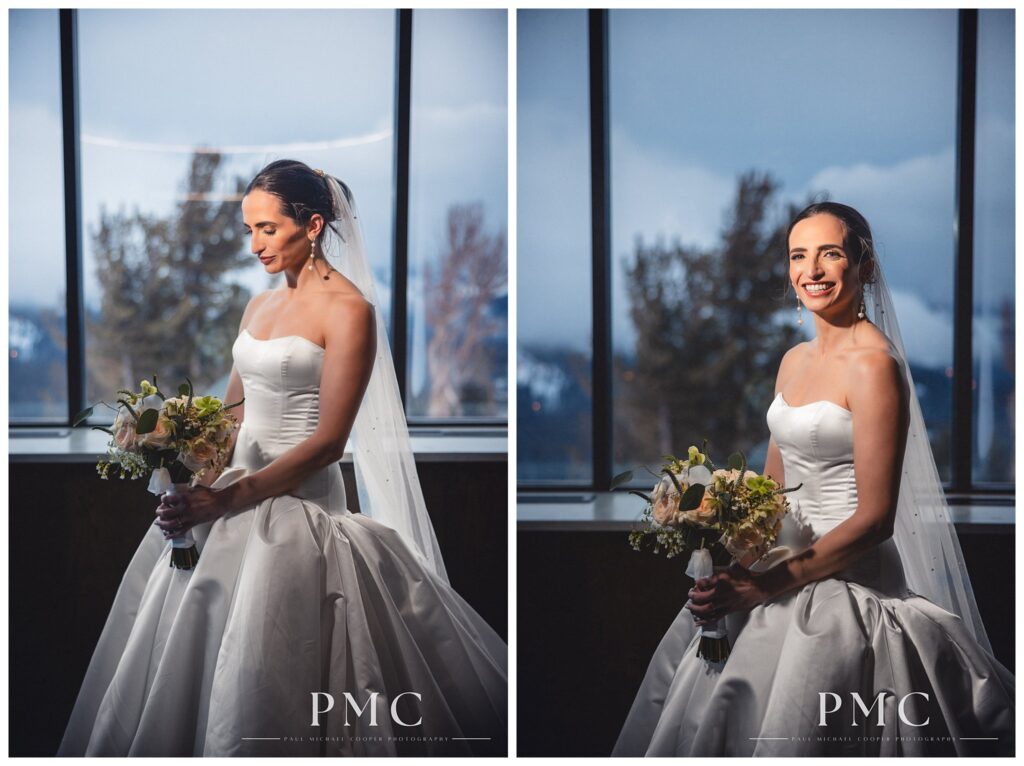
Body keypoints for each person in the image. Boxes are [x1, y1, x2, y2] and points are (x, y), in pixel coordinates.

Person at [57, 159, 507, 757]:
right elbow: (231, 420)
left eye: (267, 228)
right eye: (249, 230)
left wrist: (225, 499)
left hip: (300, 516)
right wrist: (187, 475)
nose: (255, 245)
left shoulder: (350, 312)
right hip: (224, 506)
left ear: (313, 224)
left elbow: (327, 443)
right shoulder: (258, 309)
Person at [612, 202, 1014, 757]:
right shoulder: (793, 361)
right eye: (799, 256)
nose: (812, 270)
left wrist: (766, 586)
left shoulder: (875, 365)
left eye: (830, 253)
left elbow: (874, 519)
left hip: (848, 588)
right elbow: (772, 499)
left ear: (863, 267)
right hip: (778, 570)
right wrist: (721, 541)